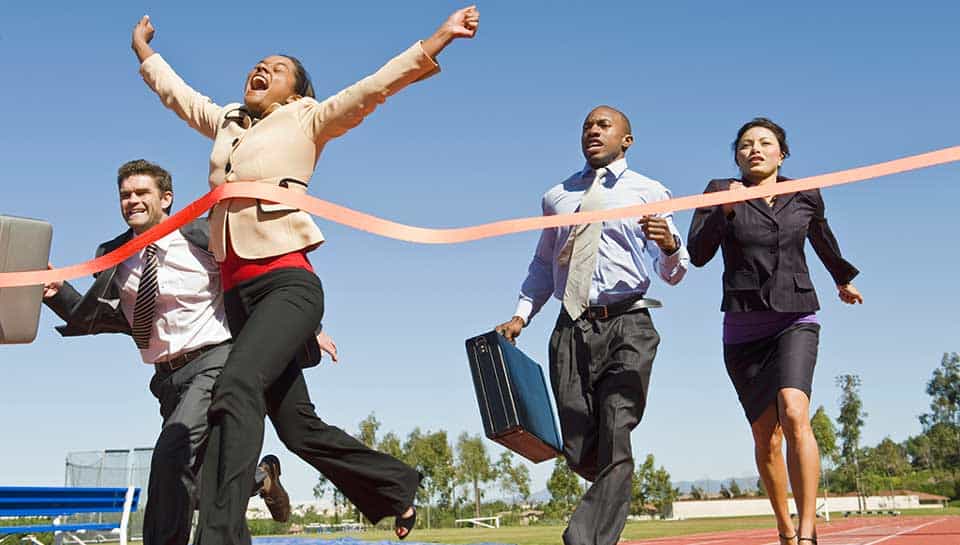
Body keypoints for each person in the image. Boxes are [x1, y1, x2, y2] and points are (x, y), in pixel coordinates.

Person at [129, 6, 479, 544]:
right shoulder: (226, 122)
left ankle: (219, 536)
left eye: (277, 67)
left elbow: (373, 88)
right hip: (240, 299)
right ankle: (396, 486)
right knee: (296, 428)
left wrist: (438, 40)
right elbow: (180, 97)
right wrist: (145, 54)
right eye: (257, 63)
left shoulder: (308, 117)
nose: (261, 68)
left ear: (294, 91)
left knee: (234, 386)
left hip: (287, 283)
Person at [41, 159, 323, 545]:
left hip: (215, 361)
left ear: (166, 198)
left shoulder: (202, 235)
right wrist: (58, 293)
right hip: (167, 380)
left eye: (142, 193)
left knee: (170, 457)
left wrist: (307, 327)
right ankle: (263, 478)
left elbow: (255, 280)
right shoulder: (115, 256)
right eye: (125, 195)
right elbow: (107, 320)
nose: (132, 201)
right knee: (201, 483)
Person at [495, 106, 689, 545]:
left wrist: (671, 244)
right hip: (571, 328)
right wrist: (522, 314)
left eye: (604, 125)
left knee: (617, 428)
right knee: (581, 446)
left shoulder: (650, 191)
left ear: (627, 140)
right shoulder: (557, 196)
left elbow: (674, 272)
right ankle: (609, 489)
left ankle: (586, 540)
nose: (593, 131)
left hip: (629, 324)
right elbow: (544, 263)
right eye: (587, 125)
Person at [686, 118, 864, 545]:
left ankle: (806, 532)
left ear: (782, 153)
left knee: (795, 411)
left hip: (796, 317)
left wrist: (842, 278)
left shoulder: (804, 192)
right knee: (766, 437)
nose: (755, 150)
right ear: (736, 156)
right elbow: (697, 255)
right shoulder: (718, 191)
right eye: (746, 145)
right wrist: (724, 212)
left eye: (765, 143)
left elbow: (822, 238)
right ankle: (784, 528)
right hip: (744, 327)